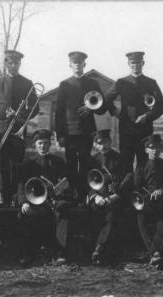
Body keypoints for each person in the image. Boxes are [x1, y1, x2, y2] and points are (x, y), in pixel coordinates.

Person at [0, 50, 39, 207]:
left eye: (16, 63)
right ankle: (4, 196)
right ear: (5, 64)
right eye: (10, 63)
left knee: (17, 164)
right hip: (0, 129)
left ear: (19, 64)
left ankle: (18, 196)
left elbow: (35, 107)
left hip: (18, 128)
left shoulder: (27, 83)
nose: (13, 66)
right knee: (2, 165)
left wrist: (19, 113)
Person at [16, 129, 73, 265]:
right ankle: (27, 254)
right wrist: (23, 202)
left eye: (46, 143)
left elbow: (66, 183)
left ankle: (60, 253)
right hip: (34, 200)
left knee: (63, 212)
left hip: (54, 200)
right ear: (35, 144)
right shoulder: (28, 163)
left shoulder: (58, 161)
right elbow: (21, 186)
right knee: (23, 214)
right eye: (40, 143)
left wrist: (61, 189)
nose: (43, 146)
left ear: (50, 144)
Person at [55, 51, 106, 201]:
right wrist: (60, 135)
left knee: (86, 164)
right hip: (69, 134)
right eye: (74, 63)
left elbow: (102, 108)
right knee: (70, 165)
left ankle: (85, 196)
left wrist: (91, 108)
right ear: (70, 65)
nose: (77, 65)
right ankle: (72, 197)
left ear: (84, 64)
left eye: (80, 63)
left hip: (87, 132)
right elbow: (59, 112)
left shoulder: (93, 83)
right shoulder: (64, 85)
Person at [105, 51, 163, 172]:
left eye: (138, 62)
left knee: (144, 164)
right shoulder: (121, 82)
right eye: (133, 63)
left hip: (145, 131)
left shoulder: (151, 82)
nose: (135, 65)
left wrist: (147, 116)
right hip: (126, 130)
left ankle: (142, 190)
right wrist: (115, 112)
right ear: (128, 64)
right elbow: (106, 98)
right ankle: (127, 190)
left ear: (143, 63)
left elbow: (162, 105)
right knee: (125, 162)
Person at [86, 129, 131, 265]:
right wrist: (95, 197)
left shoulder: (120, 158)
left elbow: (128, 178)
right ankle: (96, 248)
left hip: (114, 197)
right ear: (95, 145)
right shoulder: (92, 160)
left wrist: (116, 195)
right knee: (94, 216)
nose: (103, 146)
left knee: (111, 216)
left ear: (110, 142)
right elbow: (86, 183)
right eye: (99, 143)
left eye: (105, 142)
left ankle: (99, 248)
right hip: (98, 197)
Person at [133, 134, 163, 268]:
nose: (154, 151)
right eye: (151, 148)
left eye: (157, 148)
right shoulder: (140, 166)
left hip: (162, 202)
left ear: (160, 149)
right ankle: (155, 253)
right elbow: (137, 187)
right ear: (146, 150)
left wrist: (162, 190)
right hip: (146, 202)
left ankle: (153, 253)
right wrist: (146, 197)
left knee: (162, 225)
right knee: (141, 221)